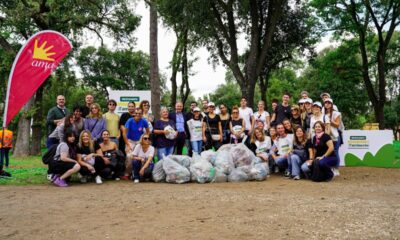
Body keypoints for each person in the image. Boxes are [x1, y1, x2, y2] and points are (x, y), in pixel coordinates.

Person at [122, 108, 150, 180]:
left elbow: (148, 131)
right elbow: (124, 133)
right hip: (130, 141)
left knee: (140, 157)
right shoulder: (130, 121)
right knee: (129, 156)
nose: (138, 115)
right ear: (134, 114)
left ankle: (137, 173)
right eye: (136, 113)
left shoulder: (144, 121)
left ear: (142, 114)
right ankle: (127, 173)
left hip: (139, 141)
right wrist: (127, 145)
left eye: (139, 113)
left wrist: (145, 139)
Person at [324, 98, 342, 168]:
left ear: (331, 104)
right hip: (326, 135)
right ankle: (330, 167)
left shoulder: (336, 113)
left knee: (335, 151)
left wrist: (329, 121)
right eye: (326, 103)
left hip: (334, 136)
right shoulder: (323, 113)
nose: (327, 104)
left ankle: (336, 168)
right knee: (328, 152)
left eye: (329, 103)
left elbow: (338, 124)